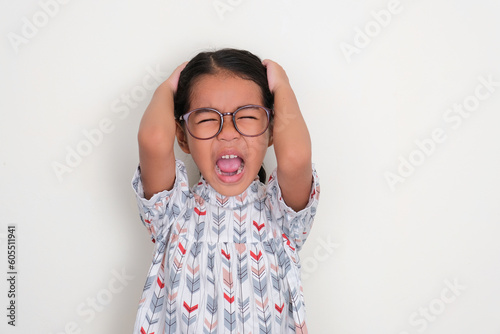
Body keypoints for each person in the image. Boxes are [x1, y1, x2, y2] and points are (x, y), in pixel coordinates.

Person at [131, 48, 320, 334]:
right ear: (182, 136)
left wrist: (282, 86)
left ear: (272, 130)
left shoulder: (282, 215)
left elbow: (295, 157)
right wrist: (167, 88)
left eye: (247, 116)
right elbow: (153, 139)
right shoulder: (173, 212)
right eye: (206, 118)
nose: (228, 131)